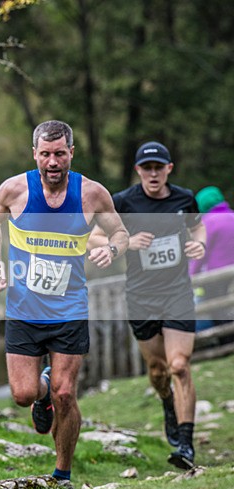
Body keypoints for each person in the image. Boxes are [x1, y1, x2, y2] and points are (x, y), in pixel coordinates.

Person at [0, 120, 129, 485]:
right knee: (23, 394)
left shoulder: (92, 194)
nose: (52, 162)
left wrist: (112, 248)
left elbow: (121, 232)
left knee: (67, 392)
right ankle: (40, 392)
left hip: (70, 310)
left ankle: (62, 474)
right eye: (45, 154)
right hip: (23, 309)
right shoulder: (14, 189)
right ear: (35, 154)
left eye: (60, 154)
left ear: (71, 154)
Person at [95, 141, 205, 469]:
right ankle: (167, 401)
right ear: (138, 170)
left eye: (159, 167)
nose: (153, 173)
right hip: (141, 297)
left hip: (178, 293)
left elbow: (197, 225)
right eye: (147, 167)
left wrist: (198, 242)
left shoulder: (185, 198)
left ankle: (185, 445)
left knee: (180, 365)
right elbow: (92, 237)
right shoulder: (123, 202)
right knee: (158, 371)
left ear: (169, 168)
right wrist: (126, 242)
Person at [189, 186, 234, 334]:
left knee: (215, 307)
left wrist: (191, 276)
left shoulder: (207, 223)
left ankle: (224, 338)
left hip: (215, 276)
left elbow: (200, 253)